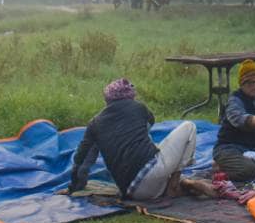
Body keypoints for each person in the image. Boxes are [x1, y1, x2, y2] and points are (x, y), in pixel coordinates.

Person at [61, 78, 212, 200]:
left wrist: (74, 187)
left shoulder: (95, 124)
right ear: (131, 96)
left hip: (132, 192)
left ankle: (180, 185)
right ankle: (175, 182)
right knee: (189, 127)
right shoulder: (138, 108)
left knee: (152, 149)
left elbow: (82, 160)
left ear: (107, 100)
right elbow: (149, 124)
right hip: (152, 173)